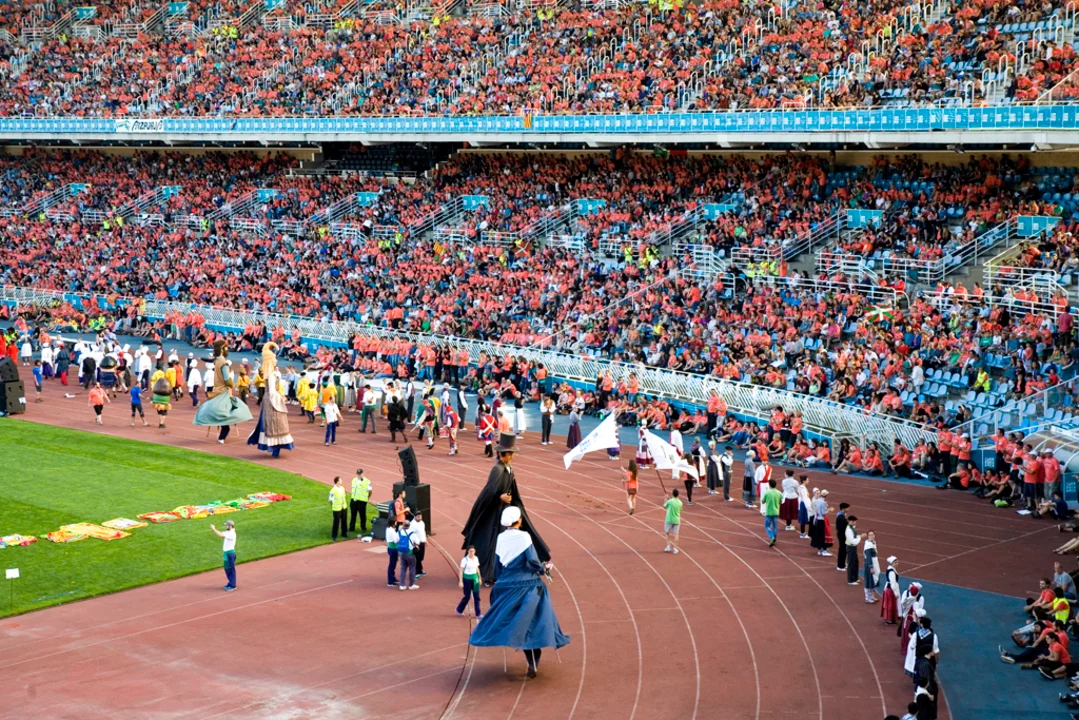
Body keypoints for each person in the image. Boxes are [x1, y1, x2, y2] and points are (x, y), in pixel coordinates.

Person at [469, 506, 570, 678]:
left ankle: (529, 658)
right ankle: (533, 659)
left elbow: (497, 565)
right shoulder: (524, 536)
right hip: (528, 586)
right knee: (535, 621)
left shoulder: (500, 537)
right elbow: (532, 560)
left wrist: (502, 582)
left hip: (506, 585)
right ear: (519, 521)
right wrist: (544, 569)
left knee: (515, 622)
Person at [462, 433, 550, 583]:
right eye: (510, 454)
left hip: (506, 509)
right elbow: (489, 490)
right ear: (504, 454)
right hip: (496, 512)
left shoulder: (508, 468)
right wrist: (499, 497)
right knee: (494, 541)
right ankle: (489, 574)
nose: (512, 457)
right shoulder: (497, 469)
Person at [194, 340, 253, 444]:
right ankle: (223, 434)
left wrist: (201, 358)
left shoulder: (217, 361)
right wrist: (232, 384)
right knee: (239, 409)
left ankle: (223, 432)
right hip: (223, 392)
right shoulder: (223, 363)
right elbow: (227, 379)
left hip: (216, 391)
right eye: (226, 348)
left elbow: (210, 359)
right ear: (222, 350)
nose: (227, 350)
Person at [247, 343, 294, 458]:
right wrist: (281, 398)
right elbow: (272, 391)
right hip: (273, 400)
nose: (276, 361)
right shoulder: (272, 375)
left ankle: (273, 448)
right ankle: (275, 448)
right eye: (274, 359)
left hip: (267, 399)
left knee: (269, 422)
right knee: (277, 423)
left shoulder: (268, 374)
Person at [209, 519, 237, 592]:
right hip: (227, 553)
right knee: (227, 569)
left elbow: (221, 535)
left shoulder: (231, 533)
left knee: (231, 569)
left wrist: (213, 529)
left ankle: (233, 585)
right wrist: (214, 530)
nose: (226, 526)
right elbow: (220, 533)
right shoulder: (228, 532)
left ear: (230, 526)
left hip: (230, 554)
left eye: (227, 525)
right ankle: (230, 583)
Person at [456, 546, 482, 618]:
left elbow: (477, 569)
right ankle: (459, 609)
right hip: (467, 579)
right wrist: (460, 581)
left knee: (477, 596)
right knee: (467, 596)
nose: (472, 553)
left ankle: (478, 613)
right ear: (468, 552)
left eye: (473, 551)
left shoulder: (476, 558)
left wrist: (479, 578)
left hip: (475, 579)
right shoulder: (465, 560)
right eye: (470, 551)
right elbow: (461, 570)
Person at [397, 517, 419, 590]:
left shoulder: (399, 532)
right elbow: (417, 542)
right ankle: (411, 584)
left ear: (403, 525)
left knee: (403, 568)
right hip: (410, 553)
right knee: (412, 568)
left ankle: (401, 585)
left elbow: (396, 540)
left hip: (402, 553)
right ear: (409, 525)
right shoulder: (412, 533)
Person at [810, 488, 833, 557]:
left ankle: (820, 550)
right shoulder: (823, 503)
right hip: (822, 520)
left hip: (817, 519)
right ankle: (824, 550)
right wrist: (829, 510)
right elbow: (823, 513)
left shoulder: (818, 501)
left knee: (819, 535)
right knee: (824, 535)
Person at [349, 469, 371, 535]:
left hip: (362, 501)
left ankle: (363, 528)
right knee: (353, 515)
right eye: (358, 474)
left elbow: (370, 491)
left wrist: (367, 498)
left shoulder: (367, 481)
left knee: (362, 515)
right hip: (354, 500)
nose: (359, 475)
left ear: (363, 474)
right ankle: (351, 527)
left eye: (360, 474)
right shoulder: (353, 480)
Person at [762, 478, 782, 547]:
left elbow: (763, 501)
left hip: (769, 512)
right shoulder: (779, 493)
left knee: (767, 525)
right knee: (775, 526)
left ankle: (772, 537)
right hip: (776, 511)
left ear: (769, 485)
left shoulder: (767, 493)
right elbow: (780, 502)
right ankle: (774, 538)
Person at [882, 556, 901, 623]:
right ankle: (889, 618)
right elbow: (893, 583)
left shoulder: (891, 569)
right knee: (891, 604)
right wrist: (895, 593)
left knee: (892, 604)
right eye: (895, 562)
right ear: (891, 563)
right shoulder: (891, 572)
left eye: (897, 562)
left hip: (891, 588)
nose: (897, 563)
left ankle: (891, 618)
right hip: (891, 589)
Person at [664, 488, 683, 554]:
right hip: (676, 520)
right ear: (678, 494)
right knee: (676, 534)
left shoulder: (669, 501)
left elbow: (664, 506)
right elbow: (680, 509)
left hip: (669, 519)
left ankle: (668, 546)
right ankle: (675, 548)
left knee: (667, 532)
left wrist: (666, 500)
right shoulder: (680, 502)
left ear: (672, 494)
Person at [329, 476, 348, 541]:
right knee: (336, 522)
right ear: (337, 482)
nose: (341, 481)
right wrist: (333, 505)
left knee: (344, 521)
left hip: (343, 507)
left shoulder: (342, 488)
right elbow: (330, 500)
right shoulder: (333, 490)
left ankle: (344, 533)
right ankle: (334, 536)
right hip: (337, 508)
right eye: (340, 480)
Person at [864, 530, 881, 602]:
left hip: (874, 562)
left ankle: (872, 596)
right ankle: (868, 597)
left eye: (873, 534)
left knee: (873, 580)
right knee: (869, 580)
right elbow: (868, 557)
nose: (871, 536)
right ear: (868, 536)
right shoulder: (868, 545)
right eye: (870, 535)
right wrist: (871, 567)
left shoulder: (873, 542)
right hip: (870, 564)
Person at [844, 515, 862, 585]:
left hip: (853, 547)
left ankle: (855, 578)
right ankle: (850, 580)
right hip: (850, 547)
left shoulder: (852, 527)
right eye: (854, 521)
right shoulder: (848, 530)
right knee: (851, 563)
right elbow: (852, 541)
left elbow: (855, 537)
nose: (855, 523)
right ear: (850, 521)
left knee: (855, 562)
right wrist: (860, 537)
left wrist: (859, 536)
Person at [835, 503, 850, 571]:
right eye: (847, 508)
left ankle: (842, 564)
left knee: (843, 549)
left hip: (842, 534)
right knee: (842, 550)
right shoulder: (841, 517)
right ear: (844, 509)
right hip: (842, 535)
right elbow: (842, 526)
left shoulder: (841, 515)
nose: (848, 509)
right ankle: (840, 566)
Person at [412, 511, 428, 577]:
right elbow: (412, 535)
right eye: (418, 517)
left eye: (420, 516)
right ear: (415, 517)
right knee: (417, 558)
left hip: (422, 542)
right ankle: (416, 572)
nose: (419, 518)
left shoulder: (422, 522)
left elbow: (423, 531)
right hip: (417, 544)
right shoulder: (412, 524)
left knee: (421, 557)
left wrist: (425, 540)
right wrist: (415, 544)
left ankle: (419, 570)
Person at [385, 521, 399, 587]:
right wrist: (399, 532)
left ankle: (392, 578)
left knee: (393, 564)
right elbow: (395, 541)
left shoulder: (389, 529)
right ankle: (390, 581)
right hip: (393, 549)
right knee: (392, 565)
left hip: (391, 548)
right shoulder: (391, 530)